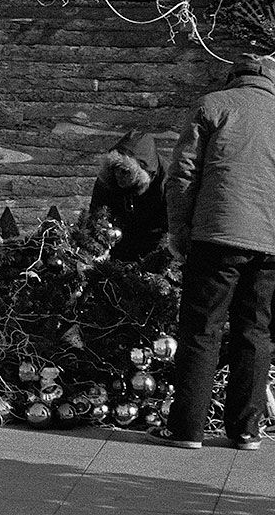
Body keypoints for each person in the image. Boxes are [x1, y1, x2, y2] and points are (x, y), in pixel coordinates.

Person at [153, 55, 275, 451]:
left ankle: (187, 429)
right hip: (271, 242)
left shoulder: (215, 105)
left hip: (217, 236)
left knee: (202, 330)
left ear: (235, 77)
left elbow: (182, 175)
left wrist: (178, 232)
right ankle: (246, 430)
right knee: (255, 333)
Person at [87, 129, 167, 261]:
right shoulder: (107, 179)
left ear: (140, 171)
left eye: (125, 171)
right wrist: (100, 244)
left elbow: (174, 226)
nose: (118, 175)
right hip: (119, 240)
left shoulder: (167, 182)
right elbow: (97, 213)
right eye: (115, 168)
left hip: (155, 244)